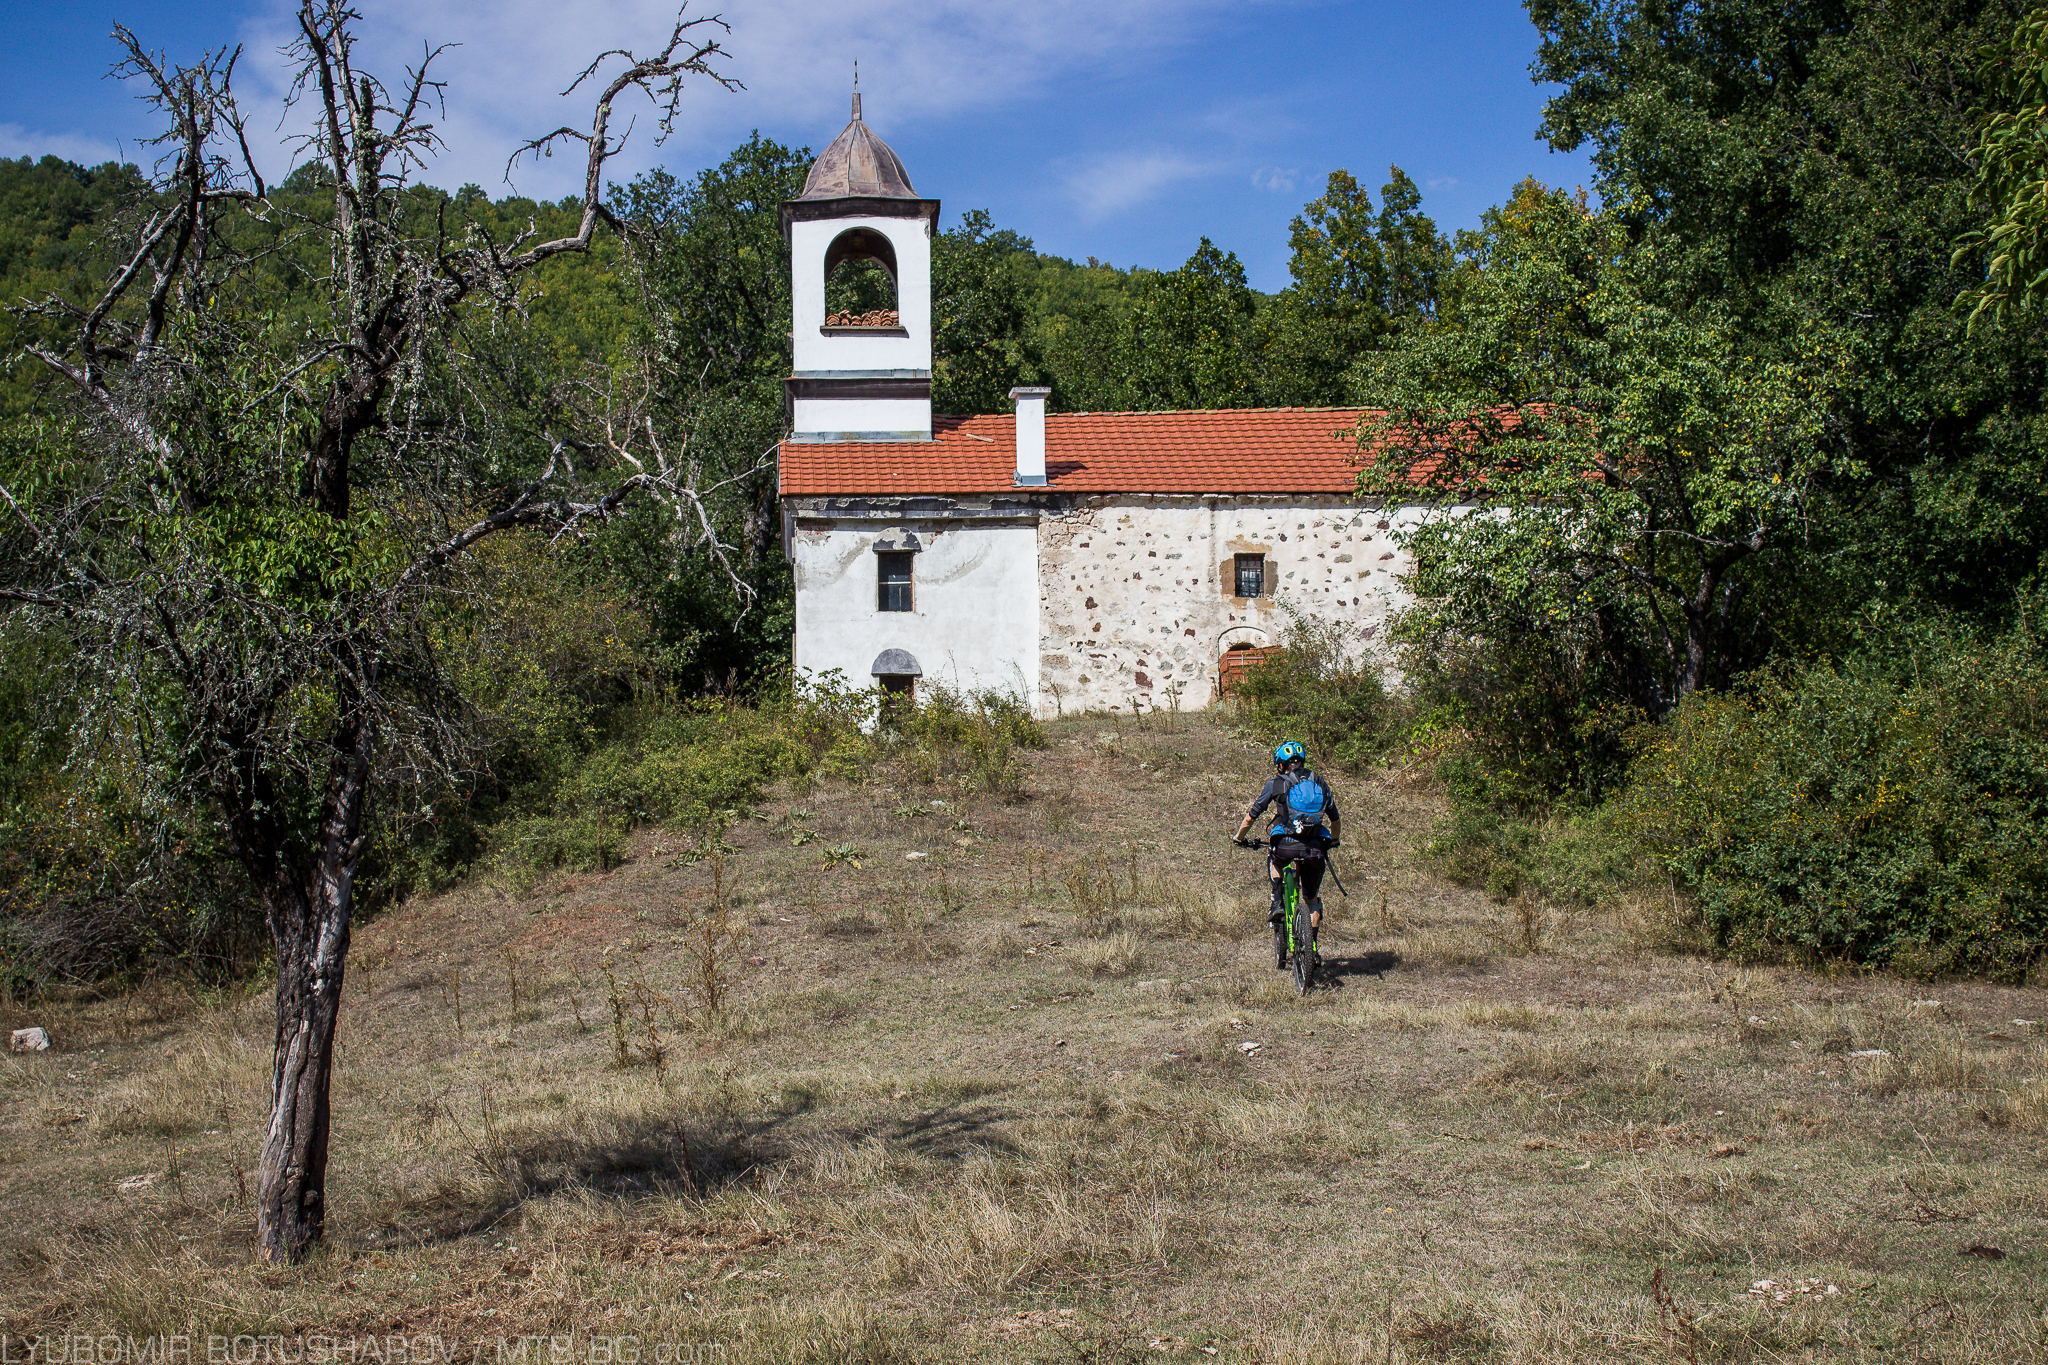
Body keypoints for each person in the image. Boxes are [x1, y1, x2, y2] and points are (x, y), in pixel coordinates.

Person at [1233, 741, 1341, 969]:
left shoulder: (1276, 783)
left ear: (1281, 765)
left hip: (1286, 844)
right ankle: (1312, 948)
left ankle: (1277, 901)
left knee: (1275, 860)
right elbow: (1335, 819)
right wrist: (1334, 841)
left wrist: (1239, 838)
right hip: (1315, 848)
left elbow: (1252, 816)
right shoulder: (1319, 782)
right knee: (1311, 899)